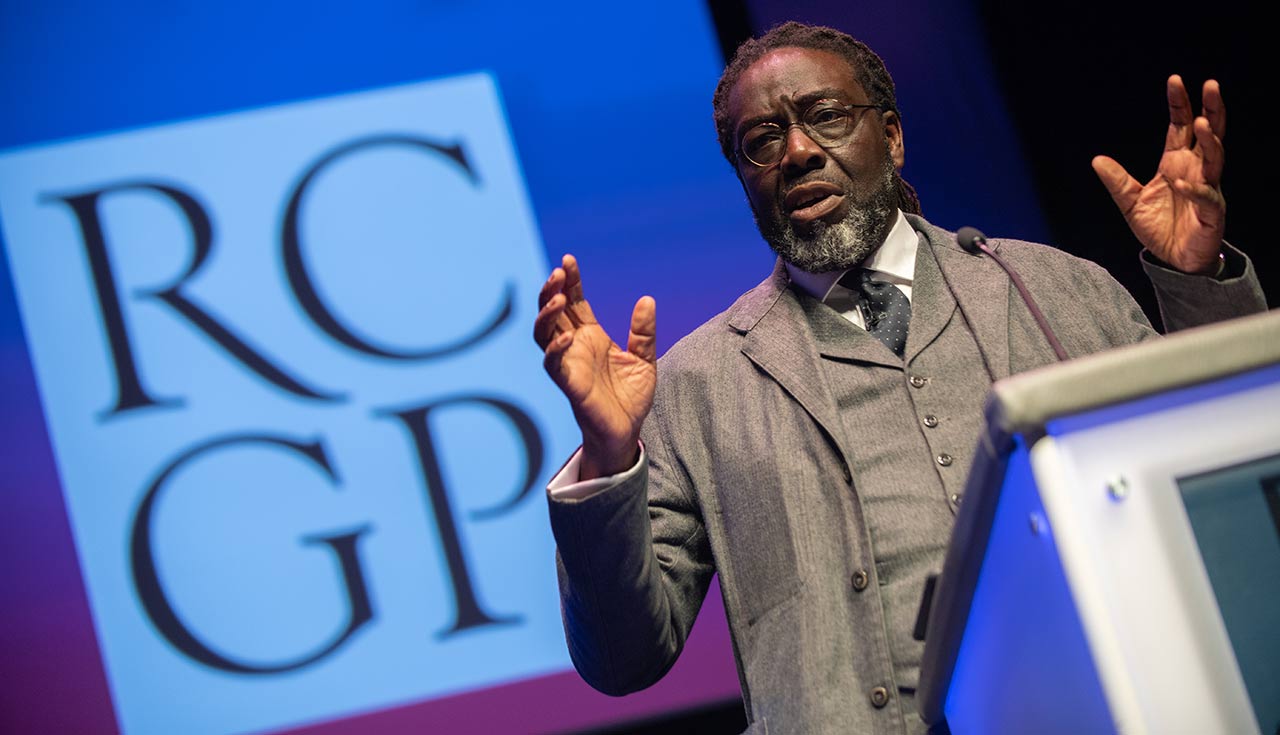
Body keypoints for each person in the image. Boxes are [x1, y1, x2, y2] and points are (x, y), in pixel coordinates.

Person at [532, 21, 1265, 735]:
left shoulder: (1053, 289)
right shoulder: (697, 384)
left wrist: (1195, 281)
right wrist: (606, 458)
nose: (795, 152)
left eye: (825, 116)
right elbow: (623, 657)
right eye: (761, 142)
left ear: (892, 136)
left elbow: (1234, 483)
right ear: (745, 181)